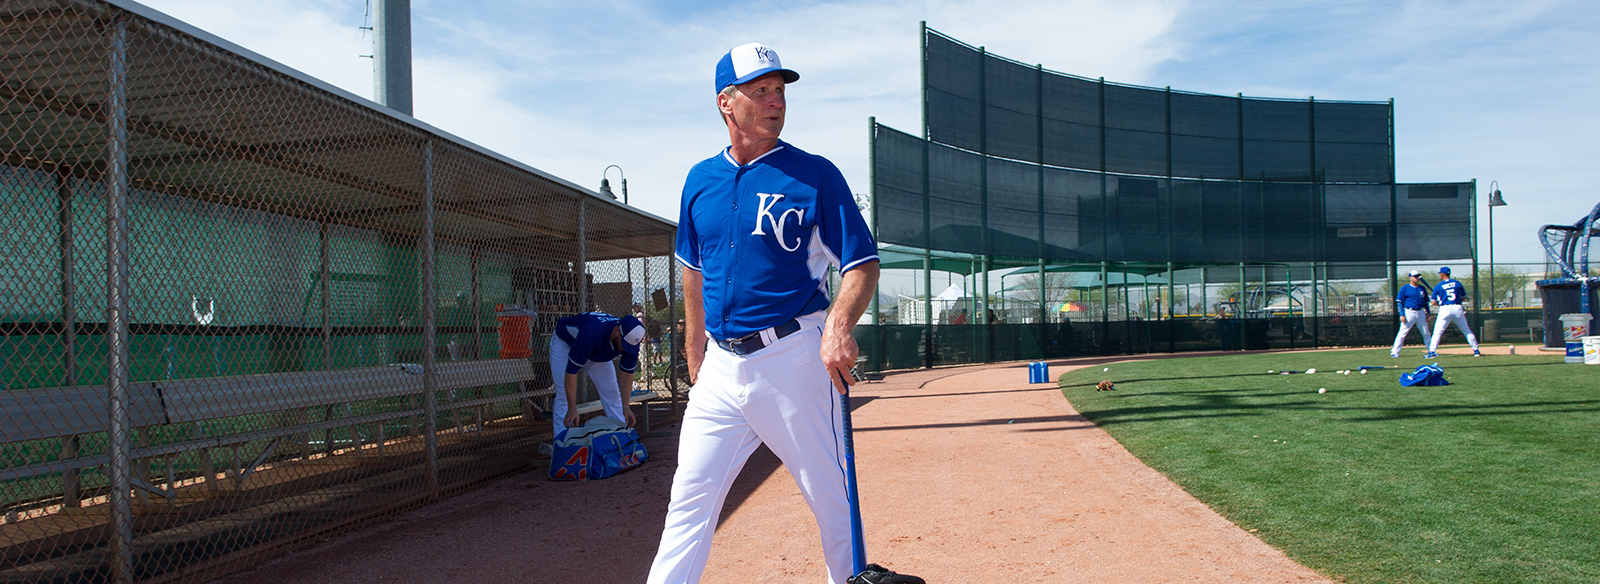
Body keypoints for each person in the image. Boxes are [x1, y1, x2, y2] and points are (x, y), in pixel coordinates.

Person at [647, 42, 880, 584]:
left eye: (779, 90)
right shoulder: (699, 180)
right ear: (727, 103)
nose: (776, 100)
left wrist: (839, 326)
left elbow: (862, 264)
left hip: (793, 358)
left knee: (830, 498)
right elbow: (692, 270)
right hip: (721, 370)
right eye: (761, 91)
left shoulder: (814, 175)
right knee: (689, 501)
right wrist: (693, 350)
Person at [548, 311, 645, 435]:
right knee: (563, 395)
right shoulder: (591, 333)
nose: (625, 349)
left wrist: (626, 407)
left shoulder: (630, 340)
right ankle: (562, 443)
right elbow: (571, 371)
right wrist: (573, 408)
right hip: (565, 343)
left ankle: (620, 437)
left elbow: (627, 374)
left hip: (596, 351)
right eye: (624, 344)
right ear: (616, 331)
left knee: (612, 393)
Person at [1426, 266, 1481, 358]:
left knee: (1437, 332)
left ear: (1442, 274)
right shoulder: (1457, 283)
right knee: (1466, 330)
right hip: (1457, 307)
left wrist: (1441, 301)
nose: (1440, 275)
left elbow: (1433, 302)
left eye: (1440, 273)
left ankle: (1432, 352)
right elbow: (1463, 297)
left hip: (1445, 308)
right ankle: (1476, 350)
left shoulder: (1438, 286)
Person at [1390, 270, 1432, 357]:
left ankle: (1431, 351)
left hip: (1420, 311)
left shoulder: (1422, 288)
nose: (1417, 278)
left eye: (1417, 276)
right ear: (1410, 277)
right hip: (1409, 311)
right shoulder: (1405, 288)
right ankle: (1394, 352)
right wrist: (1402, 314)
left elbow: (1425, 302)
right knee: (1402, 332)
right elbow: (1400, 302)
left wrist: (1428, 313)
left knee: (1426, 332)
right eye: (1415, 276)